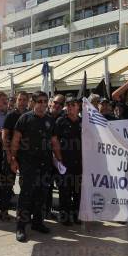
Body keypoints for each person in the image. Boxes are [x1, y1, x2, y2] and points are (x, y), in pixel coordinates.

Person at [10, 91, 63, 242]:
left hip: (45, 165)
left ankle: (37, 223)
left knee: (41, 195)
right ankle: (21, 226)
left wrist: (60, 160)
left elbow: (54, 142)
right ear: (33, 102)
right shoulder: (25, 118)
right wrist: (13, 159)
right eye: (39, 101)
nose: (42, 104)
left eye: (45, 101)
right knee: (26, 196)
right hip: (28, 165)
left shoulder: (50, 120)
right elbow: (15, 140)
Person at [0, 91, 29, 221]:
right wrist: (8, 154)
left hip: (26, 156)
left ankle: (22, 213)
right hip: (11, 154)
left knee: (25, 185)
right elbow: (4, 135)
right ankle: (4, 211)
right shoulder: (11, 115)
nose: (22, 102)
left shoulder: (30, 115)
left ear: (28, 101)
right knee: (7, 184)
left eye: (24, 99)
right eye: (20, 99)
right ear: (16, 101)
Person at [54, 96, 82, 225]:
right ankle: (64, 217)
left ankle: (76, 216)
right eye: (68, 104)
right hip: (64, 163)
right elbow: (55, 141)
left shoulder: (83, 122)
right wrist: (59, 159)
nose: (70, 107)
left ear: (78, 107)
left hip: (80, 164)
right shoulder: (60, 121)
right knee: (64, 191)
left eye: (73, 104)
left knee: (78, 191)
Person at [45, 94, 66, 217]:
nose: (57, 105)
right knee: (46, 187)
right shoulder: (43, 117)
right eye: (56, 102)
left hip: (60, 159)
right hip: (46, 158)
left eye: (61, 104)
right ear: (51, 102)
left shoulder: (64, 118)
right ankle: (46, 211)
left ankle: (63, 213)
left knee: (62, 187)